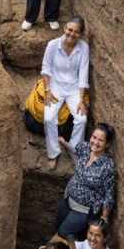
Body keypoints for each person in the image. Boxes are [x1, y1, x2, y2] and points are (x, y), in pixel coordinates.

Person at [42, 16, 90, 171]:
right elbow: (46, 68)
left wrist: (81, 100)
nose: (72, 34)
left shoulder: (83, 47)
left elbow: (83, 74)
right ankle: (53, 153)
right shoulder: (53, 45)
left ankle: (74, 150)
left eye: (76, 32)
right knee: (49, 118)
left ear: (81, 34)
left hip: (73, 89)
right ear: (64, 29)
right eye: (70, 30)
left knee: (82, 119)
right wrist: (47, 90)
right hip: (55, 87)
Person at [54, 122, 117, 240]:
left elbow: (109, 195)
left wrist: (103, 218)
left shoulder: (107, 166)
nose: (95, 142)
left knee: (64, 232)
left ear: (107, 144)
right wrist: (63, 142)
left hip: (84, 210)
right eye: (94, 137)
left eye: (101, 140)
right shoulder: (85, 148)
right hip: (68, 198)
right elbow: (74, 148)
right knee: (57, 226)